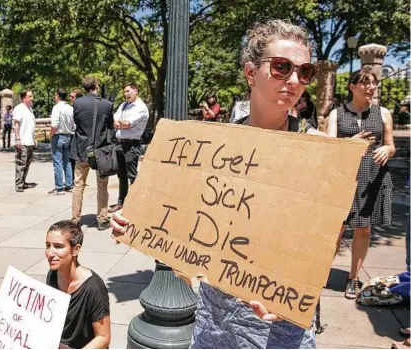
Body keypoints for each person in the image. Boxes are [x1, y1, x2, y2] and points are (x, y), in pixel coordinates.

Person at [112, 19, 323, 348]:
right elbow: (185, 217)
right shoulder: (212, 146)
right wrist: (137, 221)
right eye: (282, 67)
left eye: (305, 71)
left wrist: (294, 295)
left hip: (280, 328)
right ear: (251, 73)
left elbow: (326, 241)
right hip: (213, 318)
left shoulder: (318, 151)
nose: (295, 80)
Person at [326, 69, 396, 299]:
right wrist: (350, 143)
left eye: (374, 84)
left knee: (364, 229)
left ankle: (353, 279)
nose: (371, 88)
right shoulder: (337, 114)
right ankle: (317, 274)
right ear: (352, 86)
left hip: (373, 178)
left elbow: (391, 146)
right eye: (366, 83)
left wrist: (387, 149)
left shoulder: (383, 113)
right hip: (344, 178)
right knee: (336, 229)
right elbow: (328, 148)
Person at [0, 220, 111, 349]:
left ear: (75, 250)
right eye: (48, 245)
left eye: (58, 246)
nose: (50, 253)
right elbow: (44, 318)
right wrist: (4, 311)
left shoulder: (93, 288)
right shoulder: (53, 275)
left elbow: (103, 337)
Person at [70, 77, 114, 230]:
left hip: (82, 150)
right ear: (96, 86)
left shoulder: (77, 103)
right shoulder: (107, 105)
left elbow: (77, 123)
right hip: (100, 151)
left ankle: (75, 219)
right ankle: (102, 219)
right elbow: (110, 126)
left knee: (78, 185)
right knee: (102, 186)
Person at [108, 83, 149, 213]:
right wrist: (120, 124)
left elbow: (127, 124)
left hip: (131, 144)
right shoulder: (123, 105)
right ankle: (122, 202)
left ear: (136, 91)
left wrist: (121, 124)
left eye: (128, 91)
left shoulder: (141, 107)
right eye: (125, 92)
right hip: (120, 143)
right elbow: (114, 120)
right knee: (121, 175)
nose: (126, 94)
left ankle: (139, 203)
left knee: (133, 176)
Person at [49, 88, 75, 195]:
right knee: (67, 161)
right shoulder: (70, 108)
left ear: (58, 96)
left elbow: (54, 124)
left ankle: (59, 187)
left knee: (58, 162)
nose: (54, 97)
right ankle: (69, 184)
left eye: (55, 95)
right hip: (68, 136)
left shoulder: (56, 108)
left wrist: (51, 135)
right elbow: (74, 124)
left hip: (58, 136)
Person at [14, 90, 37, 192]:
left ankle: (23, 181)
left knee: (27, 164)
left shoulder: (30, 110)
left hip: (30, 141)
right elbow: (16, 124)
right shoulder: (19, 108)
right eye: (30, 96)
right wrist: (17, 138)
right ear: (24, 98)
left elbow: (31, 126)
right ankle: (18, 184)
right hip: (22, 141)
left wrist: (34, 139)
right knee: (21, 163)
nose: (32, 98)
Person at [69, 89, 83, 183]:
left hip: (78, 136)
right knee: (72, 159)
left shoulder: (79, 108)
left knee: (76, 159)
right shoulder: (71, 107)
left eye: (72, 97)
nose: (70, 98)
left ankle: (77, 179)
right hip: (72, 135)